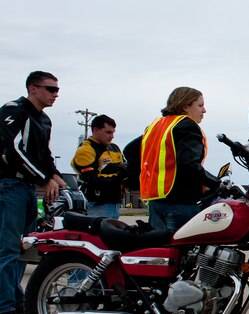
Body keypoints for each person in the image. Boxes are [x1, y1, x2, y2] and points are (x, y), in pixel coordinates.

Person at [0, 71, 67, 314]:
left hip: (26, 188)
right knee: (7, 248)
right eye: (50, 89)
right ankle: (4, 307)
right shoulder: (13, 110)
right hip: (9, 185)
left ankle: (14, 303)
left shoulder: (44, 120)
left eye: (57, 89)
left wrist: (55, 175)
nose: (55, 94)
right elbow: (14, 149)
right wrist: (44, 179)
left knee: (22, 248)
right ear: (33, 88)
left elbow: (45, 154)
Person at [123, 87, 220, 232]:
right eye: (200, 105)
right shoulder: (187, 126)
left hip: (157, 201)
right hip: (182, 202)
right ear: (185, 106)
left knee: (160, 249)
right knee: (184, 251)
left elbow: (130, 150)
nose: (204, 110)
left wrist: (141, 178)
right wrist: (215, 183)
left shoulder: (157, 126)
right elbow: (188, 165)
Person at [71, 114, 126, 219]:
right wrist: (119, 177)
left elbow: (125, 170)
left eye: (113, 132)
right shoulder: (86, 150)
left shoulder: (114, 148)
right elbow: (92, 179)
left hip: (115, 203)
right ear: (96, 130)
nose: (112, 136)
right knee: (98, 234)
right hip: (97, 204)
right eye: (108, 132)